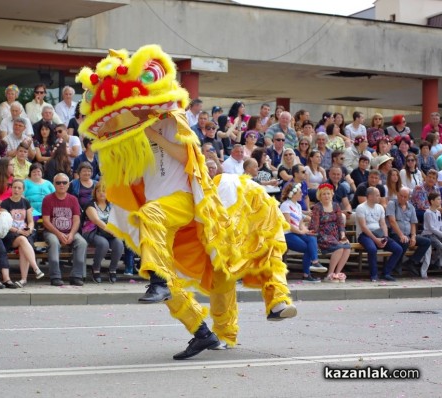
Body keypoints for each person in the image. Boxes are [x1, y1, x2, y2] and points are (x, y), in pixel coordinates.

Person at [76, 46, 295, 359]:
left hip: (181, 201)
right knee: (171, 275)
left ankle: (275, 298)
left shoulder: (171, 120)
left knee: (166, 247)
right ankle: (206, 333)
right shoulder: (131, 133)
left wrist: (154, 133)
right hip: (158, 215)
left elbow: (187, 156)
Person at [42, 173, 87, 287]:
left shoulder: (73, 199)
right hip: (52, 231)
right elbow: (46, 221)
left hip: (70, 231)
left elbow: (76, 220)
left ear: (68, 185)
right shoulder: (47, 199)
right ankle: (55, 276)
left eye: (64, 182)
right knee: (53, 242)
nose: (61, 185)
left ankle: (76, 276)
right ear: (54, 184)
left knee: (82, 243)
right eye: (58, 182)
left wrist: (71, 234)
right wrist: (59, 233)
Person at [1, 179, 45, 287]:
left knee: (23, 246)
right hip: (11, 233)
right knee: (22, 240)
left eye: (19, 188)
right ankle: (36, 268)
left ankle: (23, 280)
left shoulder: (26, 202)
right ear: (11, 188)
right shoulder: (5, 203)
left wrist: (29, 229)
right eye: (14, 187)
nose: (16, 190)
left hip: (25, 232)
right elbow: (5, 224)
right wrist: (18, 231)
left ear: (23, 190)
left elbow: (30, 221)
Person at [279, 183, 326, 282]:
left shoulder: (298, 206)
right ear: (293, 194)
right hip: (287, 234)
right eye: (300, 193)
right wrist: (301, 232)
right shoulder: (285, 205)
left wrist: (305, 231)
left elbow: (300, 224)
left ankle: (313, 264)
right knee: (308, 248)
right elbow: (288, 225)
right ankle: (309, 271)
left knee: (312, 237)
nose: (302, 194)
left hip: (297, 232)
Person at [356, 186, 404, 282]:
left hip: (379, 233)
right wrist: (376, 240)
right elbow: (364, 227)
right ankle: (374, 275)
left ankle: (386, 272)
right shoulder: (361, 207)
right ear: (370, 196)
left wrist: (385, 237)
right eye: (377, 195)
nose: (380, 197)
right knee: (372, 249)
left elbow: (383, 223)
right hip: (365, 235)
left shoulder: (380, 207)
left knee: (398, 249)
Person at [82, 182, 124, 283]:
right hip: (92, 231)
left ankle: (113, 269)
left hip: (108, 233)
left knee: (119, 244)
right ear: (95, 193)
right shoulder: (90, 205)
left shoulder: (111, 205)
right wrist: (111, 231)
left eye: (104, 191)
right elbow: (96, 221)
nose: (101, 193)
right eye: (99, 191)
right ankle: (96, 268)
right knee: (103, 243)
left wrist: (117, 231)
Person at [309, 183, 351, 283]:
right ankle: (329, 274)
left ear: (332, 194)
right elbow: (314, 225)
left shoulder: (336, 206)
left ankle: (337, 273)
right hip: (322, 235)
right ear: (320, 196)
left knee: (347, 247)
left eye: (328, 193)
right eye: (324, 194)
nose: (326, 196)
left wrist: (343, 236)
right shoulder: (317, 207)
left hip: (335, 234)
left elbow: (340, 222)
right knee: (339, 248)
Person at [387, 187, 431, 277]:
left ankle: (411, 262)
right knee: (405, 241)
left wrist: (414, 236)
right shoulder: (392, 204)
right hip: (395, 234)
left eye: (405, 197)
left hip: (408, 233)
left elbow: (413, 223)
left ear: (408, 198)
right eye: (401, 196)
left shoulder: (411, 207)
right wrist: (401, 235)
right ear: (398, 195)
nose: (402, 198)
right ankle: (397, 264)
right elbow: (392, 221)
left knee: (426, 242)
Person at [421, 192, 442, 278]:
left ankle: (437, 262)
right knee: (440, 245)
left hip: (436, 235)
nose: (440, 201)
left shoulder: (438, 212)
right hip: (429, 235)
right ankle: (435, 262)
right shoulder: (428, 212)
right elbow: (432, 227)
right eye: (438, 199)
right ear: (432, 201)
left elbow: (440, 224)